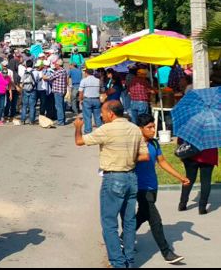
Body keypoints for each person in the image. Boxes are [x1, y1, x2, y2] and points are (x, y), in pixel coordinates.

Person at [74, 101, 149, 269]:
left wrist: (78, 126)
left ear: (111, 114)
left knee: (109, 223)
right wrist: (127, 157)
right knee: (129, 222)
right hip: (131, 178)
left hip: (114, 178)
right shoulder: (135, 129)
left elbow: (79, 141)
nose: (101, 115)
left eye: (103, 112)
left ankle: (118, 262)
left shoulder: (107, 129)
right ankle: (129, 260)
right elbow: (144, 156)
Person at [134, 114, 188, 264]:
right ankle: (167, 252)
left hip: (153, 186)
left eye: (153, 126)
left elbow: (162, 162)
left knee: (142, 215)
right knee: (155, 220)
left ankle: (124, 237)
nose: (153, 130)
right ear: (140, 129)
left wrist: (180, 177)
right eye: (149, 127)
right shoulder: (134, 144)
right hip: (140, 188)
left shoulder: (155, 143)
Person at [178, 142, 219, 216]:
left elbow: (180, 141)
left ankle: (182, 204)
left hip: (191, 154)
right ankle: (202, 208)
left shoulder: (190, 130)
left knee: (189, 179)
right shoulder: (213, 131)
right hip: (209, 155)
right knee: (206, 181)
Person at [78, 68, 103, 135]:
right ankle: (100, 132)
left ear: (86, 73)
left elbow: (81, 92)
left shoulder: (84, 80)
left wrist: (80, 100)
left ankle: (88, 132)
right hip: (96, 99)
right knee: (97, 116)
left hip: (87, 100)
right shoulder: (98, 80)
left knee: (87, 117)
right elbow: (101, 90)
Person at [45, 59, 68, 126]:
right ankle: (62, 120)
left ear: (58, 65)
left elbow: (49, 77)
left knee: (59, 106)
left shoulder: (59, 71)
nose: (55, 65)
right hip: (62, 90)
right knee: (61, 106)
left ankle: (60, 121)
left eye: (55, 64)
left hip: (58, 91)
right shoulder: (64, 71)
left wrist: (43, 77)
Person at [20, 60, 40, 125]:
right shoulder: (36, 72)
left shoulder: (24, 71)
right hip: (33, 90)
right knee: (32, 106)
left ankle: (23, 120)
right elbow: (38, 80)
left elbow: (21, 81)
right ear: (32, 65)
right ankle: (31, 121)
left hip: (25, 89)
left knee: (24, 105)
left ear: (26, 65)